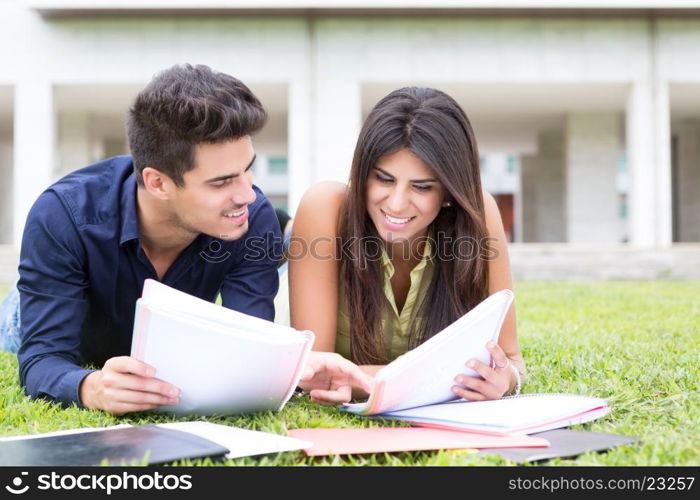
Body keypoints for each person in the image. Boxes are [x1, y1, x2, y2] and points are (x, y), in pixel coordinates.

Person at [0, 63, 371, 415]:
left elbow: (247, 345)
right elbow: (42, 361)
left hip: (166, 326)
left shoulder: (253, 216)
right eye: (222, 181)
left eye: (247, 170)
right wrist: (90, 385)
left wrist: (293, 367)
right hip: (48, 310)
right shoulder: (62, 216)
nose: (247, 193)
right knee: (18, 327)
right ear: (157, 182)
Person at [289, 87, 525, 405]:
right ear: (362, 174)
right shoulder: (326, 208)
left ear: (449, 193)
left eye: (422, 186)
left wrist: (504, 379)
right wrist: (433, 378)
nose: (397, 204)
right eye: (384, 179)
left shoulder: (478, 215)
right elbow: (315, 370)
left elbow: (511, 360)